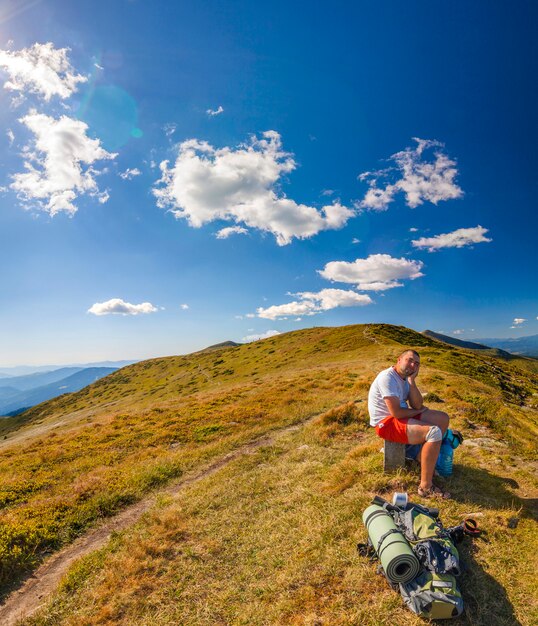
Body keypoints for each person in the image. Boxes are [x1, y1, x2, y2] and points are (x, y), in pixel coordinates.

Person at [368, 349, 451, 498]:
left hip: (400, 417)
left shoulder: (405, 379)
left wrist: (412, 382)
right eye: (410, 360)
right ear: (399, 359)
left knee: (443, 418)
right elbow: (397, 412)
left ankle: (421, 459)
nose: (413, 365)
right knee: (434, 432)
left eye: (417, 364)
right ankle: (426, 487)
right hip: (386, 423)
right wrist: (415, 413)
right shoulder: (387, 377)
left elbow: (418, 405)